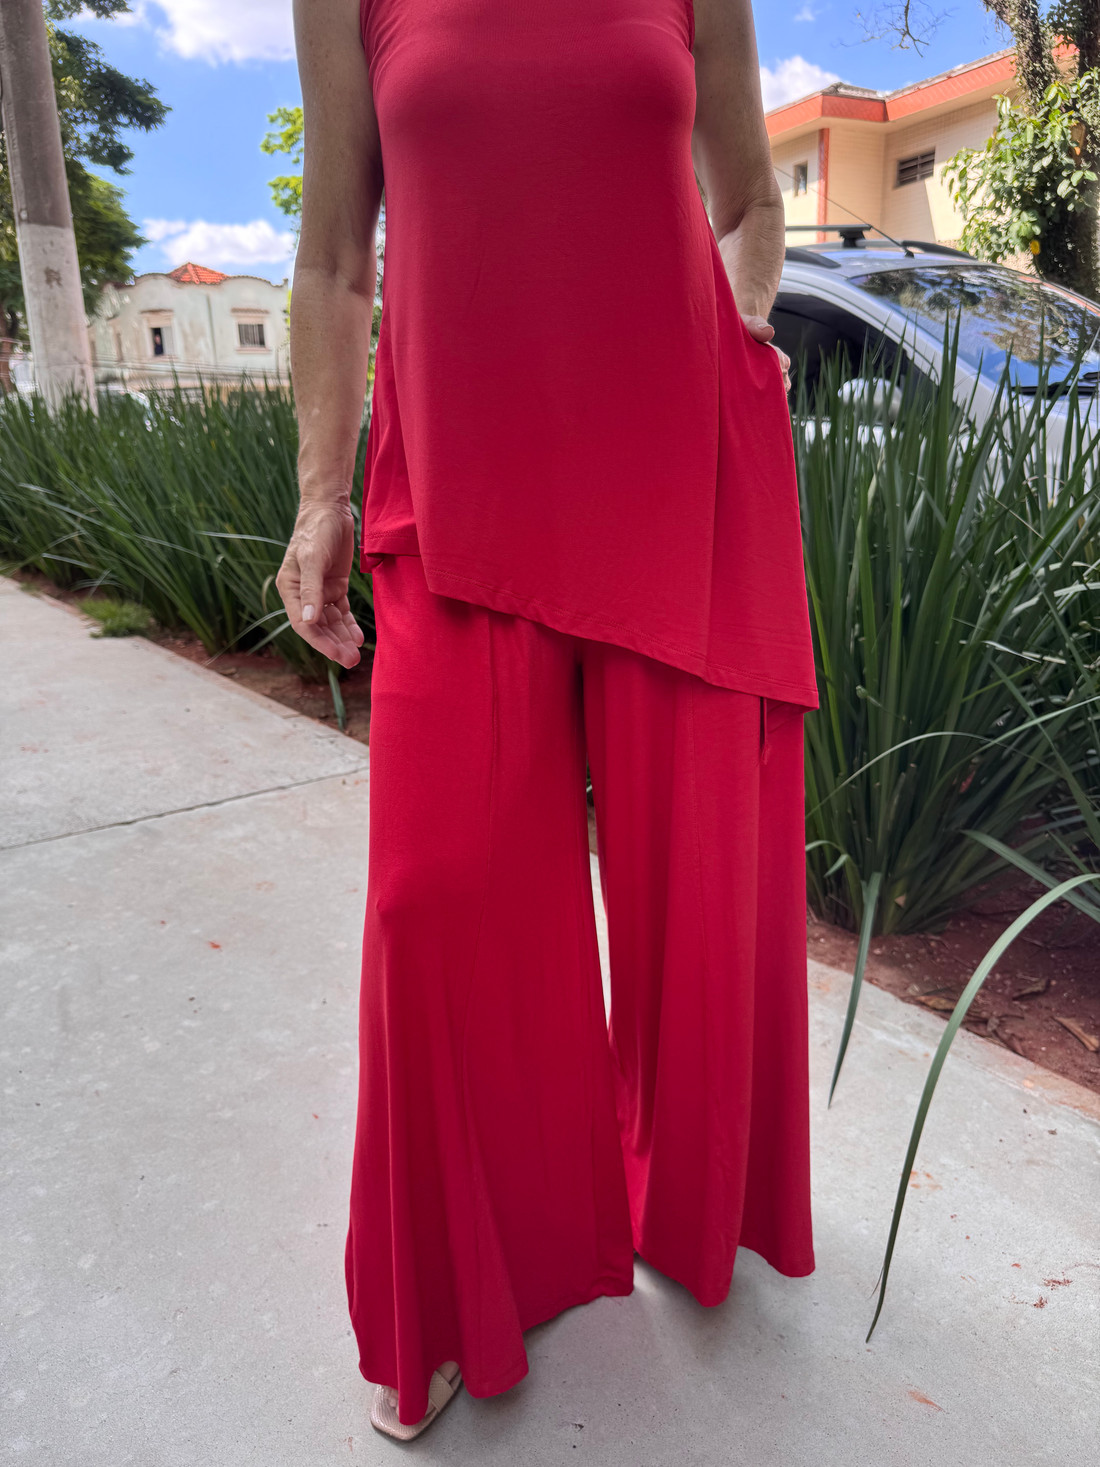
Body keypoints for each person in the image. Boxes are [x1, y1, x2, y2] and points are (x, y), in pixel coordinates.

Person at [277, 0, 819, 1442]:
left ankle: (682, 1203)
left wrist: (739, 326)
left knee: (699, 901)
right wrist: (321, 496)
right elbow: (334, 258)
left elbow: (748, 200)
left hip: (676, 476)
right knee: (437, 899)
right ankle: (465, 1282)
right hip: (457, 496)